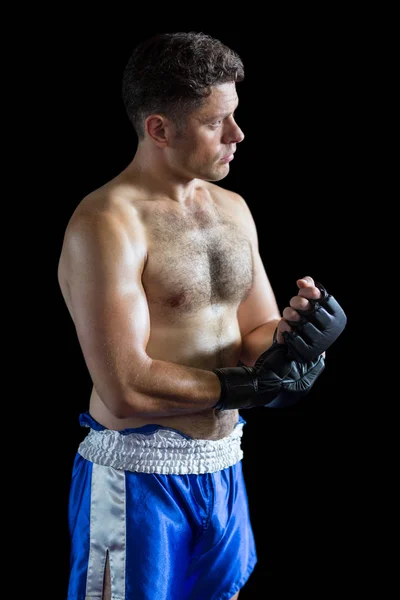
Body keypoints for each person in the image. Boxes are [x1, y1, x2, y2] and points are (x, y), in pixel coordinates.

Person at [58, 32, 345, 600]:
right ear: (160, 128)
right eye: (218, 122)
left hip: (222, 469)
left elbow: (254, 336)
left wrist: (298, 342)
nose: (238, 135)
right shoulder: (107, 224)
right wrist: (248, 386)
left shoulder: (233, 209)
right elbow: (124, 387)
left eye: (235, 116)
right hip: (136, 479)